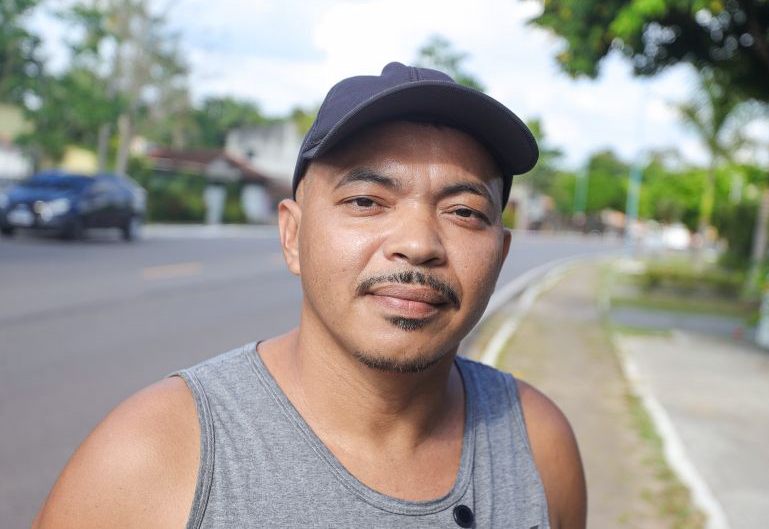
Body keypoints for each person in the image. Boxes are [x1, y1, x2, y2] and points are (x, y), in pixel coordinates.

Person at [33, 62, 586, 528]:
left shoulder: (537, 445)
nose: (418, 244)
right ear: (292, 236)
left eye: (464, 211)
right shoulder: (151, 459)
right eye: (366, 201)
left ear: (501, 254)